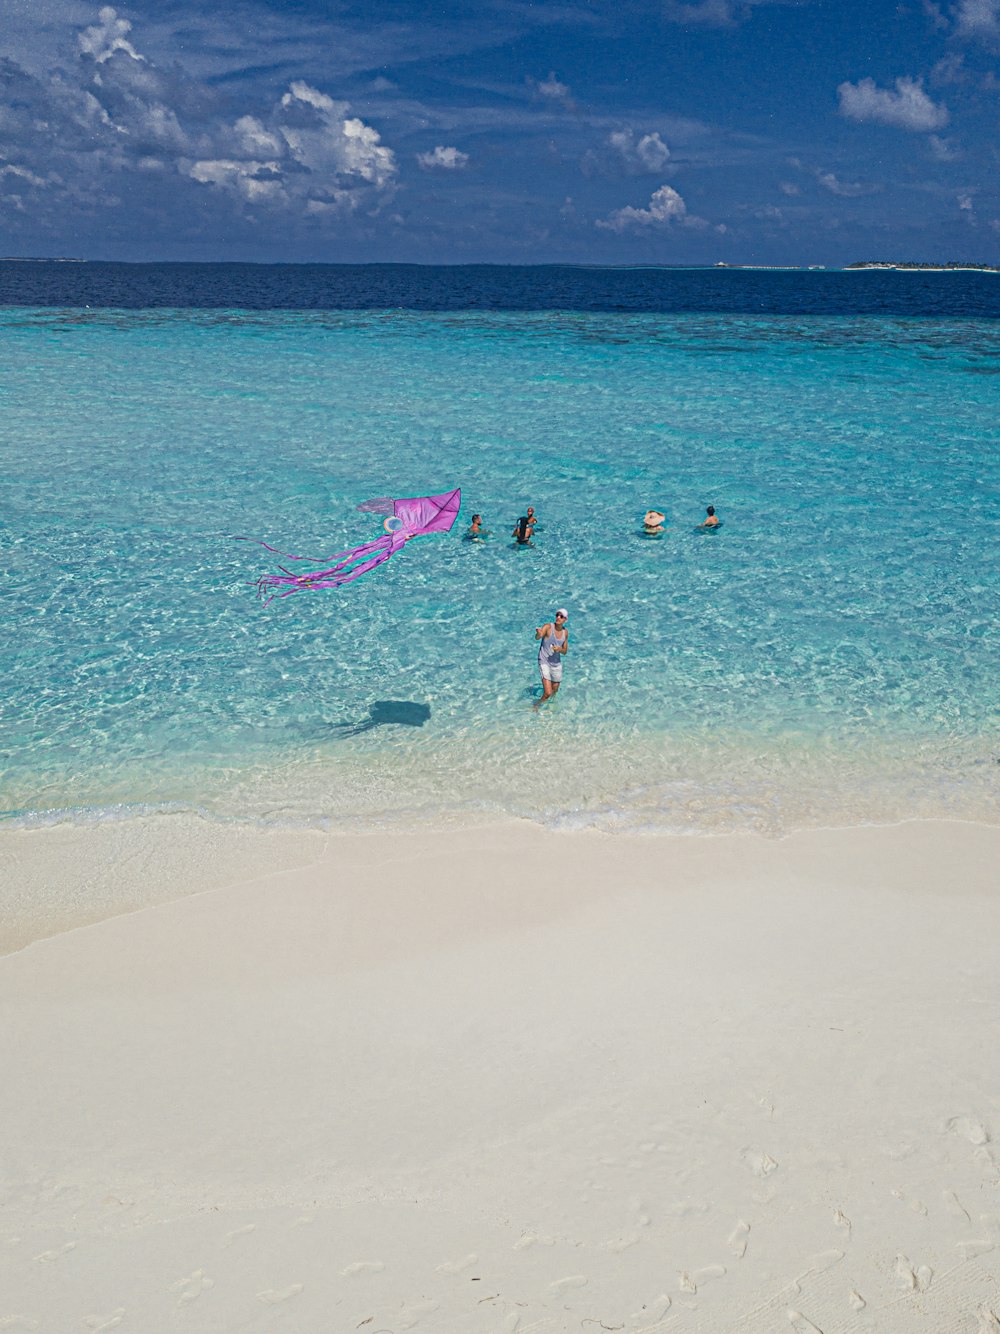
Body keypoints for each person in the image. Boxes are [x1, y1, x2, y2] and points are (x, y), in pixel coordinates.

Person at [535, 608, 569, 705]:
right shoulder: (548, 627)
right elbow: (538, 637)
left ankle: (550, 709)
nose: (558, 617)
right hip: (544, 660)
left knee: (555, 690)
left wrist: (559, 649)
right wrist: (538, 633)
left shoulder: (565, 632)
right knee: (548, 693)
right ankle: (536, 706)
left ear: (565, 619)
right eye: (557, 615)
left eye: (561, 616)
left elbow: (565, 651)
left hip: (556, 663)